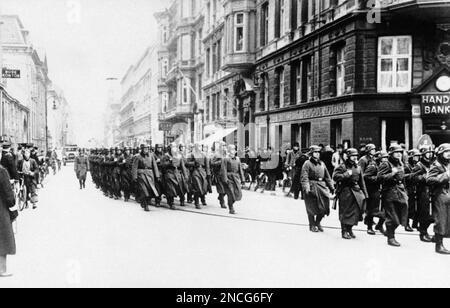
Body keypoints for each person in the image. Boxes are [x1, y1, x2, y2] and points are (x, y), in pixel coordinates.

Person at [377, 144, 409, 247]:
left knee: (401, 214)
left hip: (400, 192)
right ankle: (391, 237)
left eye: (400, 152)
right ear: (391, 154)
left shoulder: (400, 163)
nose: (399, 154)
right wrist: (392, 174)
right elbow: (380, 178)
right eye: (396, 152)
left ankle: (389, 231)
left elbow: (403, 178)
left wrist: (405, 190)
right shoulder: (386, 164)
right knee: (393, 217)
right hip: (389, 193)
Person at [333, 148, 368, 240]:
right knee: (345, 212)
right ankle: (344, 231)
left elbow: (362, 182)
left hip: (356, 191)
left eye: (356, 156)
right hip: (345, 191)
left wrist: (365, 194)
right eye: (352, 156)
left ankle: (350, 229)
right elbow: (335, 177)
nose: (354, 158)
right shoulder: (342, 166)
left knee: (355, 211)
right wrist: (345, 174)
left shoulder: (358, 167)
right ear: (348, 157)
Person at [301, 145, 335, 233]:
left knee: (324, 206)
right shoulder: (307, 163)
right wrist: (307, 188)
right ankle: (312, 225)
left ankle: (317, 222)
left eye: (318, 152)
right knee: (311, 208)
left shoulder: (322, 163)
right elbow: (304, 177)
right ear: (311, 153)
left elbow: (327, 177)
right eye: (315, 152)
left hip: (321, 186)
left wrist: (331, 187)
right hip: (311, 186)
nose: (317, 154)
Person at [426, 144, 450, 255]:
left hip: (447, 194)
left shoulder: (447, 164)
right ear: (440, 153)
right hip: (440, 195)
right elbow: (429, 179)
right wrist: (446, 175)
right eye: (446, 151)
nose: (448, 154)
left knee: (447, 220)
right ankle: (438, 245)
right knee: (441, 219)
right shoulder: (436, 165)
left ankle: (438, 239)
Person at [0, 148, 17, 278]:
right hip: (1, 210)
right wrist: (12, 205)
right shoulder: (2, 172)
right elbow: (8, 195)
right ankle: (2, 269)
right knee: (3, 240)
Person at [412, 146, 435, 242]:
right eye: (427, 153)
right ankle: (423, 232)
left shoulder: (431, 164)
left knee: (431, 215)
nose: (429, 155)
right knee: (424, 213)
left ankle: (426, 231)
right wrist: (424, 177)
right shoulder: (419, 165)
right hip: (423, 191)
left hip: (431, 191)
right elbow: (413, 177)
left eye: (430, 153)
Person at [131, 144, 161, 212]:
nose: (146, 150)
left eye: (147, 148)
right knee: (144, 190)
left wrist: (157, 175)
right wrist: (134, 177)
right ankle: (145, 204)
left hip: (150, 175)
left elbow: (155, 166)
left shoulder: (151, 156)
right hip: (141, 175)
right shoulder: (138, 157)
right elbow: (134, 167)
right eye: (144, 148)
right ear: (142, 149)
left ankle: (146, 202)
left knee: (150, 190)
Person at [160, 143, 189, 209]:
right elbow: (163, 164)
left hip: (177, 172)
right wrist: (169, 162)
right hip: (169, 172)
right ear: (170, 149)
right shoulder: (166, 156)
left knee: (181, 186)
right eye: (173, 147)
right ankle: (171, 202)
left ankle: (182, 199)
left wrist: (185, 175)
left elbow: (182, 166)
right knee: (170, 187)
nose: (174, 149)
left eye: (175, 147)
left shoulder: (179, 156)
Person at [221, 144, 245, 215]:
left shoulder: (237, 159)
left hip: (236, 178)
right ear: (228, 150)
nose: (234, 151)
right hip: (229, 178)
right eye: (232, 149)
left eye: (234, 149)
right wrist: (225, 180)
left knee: (238, 193)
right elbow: (223, 170)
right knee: (230, 194)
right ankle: (231, 208)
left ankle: (231, 204)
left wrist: (242, 179)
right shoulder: (225, 158)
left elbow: (240, 169)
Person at [186, 144, 210, 209]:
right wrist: (193, 163)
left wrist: (208, 174)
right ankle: (197, 202)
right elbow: (186, 163)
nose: (199, 148)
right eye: (198, 146)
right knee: (197, 187)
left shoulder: (204, 154)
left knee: (203, 187)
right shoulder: (191, 154)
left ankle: (202, 199)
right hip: (195, 172)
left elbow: (207, 165)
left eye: (200, 146)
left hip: (203, 172)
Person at [211, 142, 228, 209]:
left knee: (227, 189)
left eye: (225, 146)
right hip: (219, 174)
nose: (224, 147)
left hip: (226, 174)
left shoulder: (227, 155)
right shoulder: (216, 154)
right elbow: (212, 163)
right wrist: (220, 162)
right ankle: (222, 202)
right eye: (223, 146)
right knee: (221, 189)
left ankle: (220, 197)